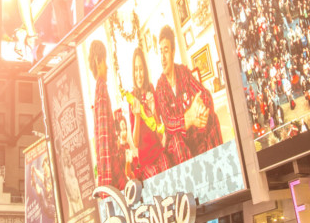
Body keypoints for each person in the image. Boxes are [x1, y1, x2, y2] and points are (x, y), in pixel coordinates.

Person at [154, 26, 222, 166]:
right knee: (178, 141)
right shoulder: (160, 87)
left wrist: (202, 110)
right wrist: (189, 118)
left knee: (212, 119)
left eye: (166, 51)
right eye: (160, 52)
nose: (162, 58)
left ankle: (219, 170)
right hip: (177, 144)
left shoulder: (183, 73)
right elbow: (169, 123)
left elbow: (204, 94)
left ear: (173, 52)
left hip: (193, 136)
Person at [125, 47, 171, 180]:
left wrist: (154, 112)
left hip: (159, 152)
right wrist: (138, 116)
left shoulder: (151, 90)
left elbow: (161, 134)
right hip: (146, 162)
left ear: (145, 70)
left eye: (141, 69)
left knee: (168, 171)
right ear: (133, 73)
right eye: (136, 69)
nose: (139, 74)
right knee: (157, 176)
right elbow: (136, 143)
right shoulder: (132, 98)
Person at [89, 39, 127, 188]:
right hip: (112, 174)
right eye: (105, 61)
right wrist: (106, 189)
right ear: (99, 61)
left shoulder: (97, 91)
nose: (107, 67)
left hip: (110, 170)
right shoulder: (102, 90)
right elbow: (104, 143)